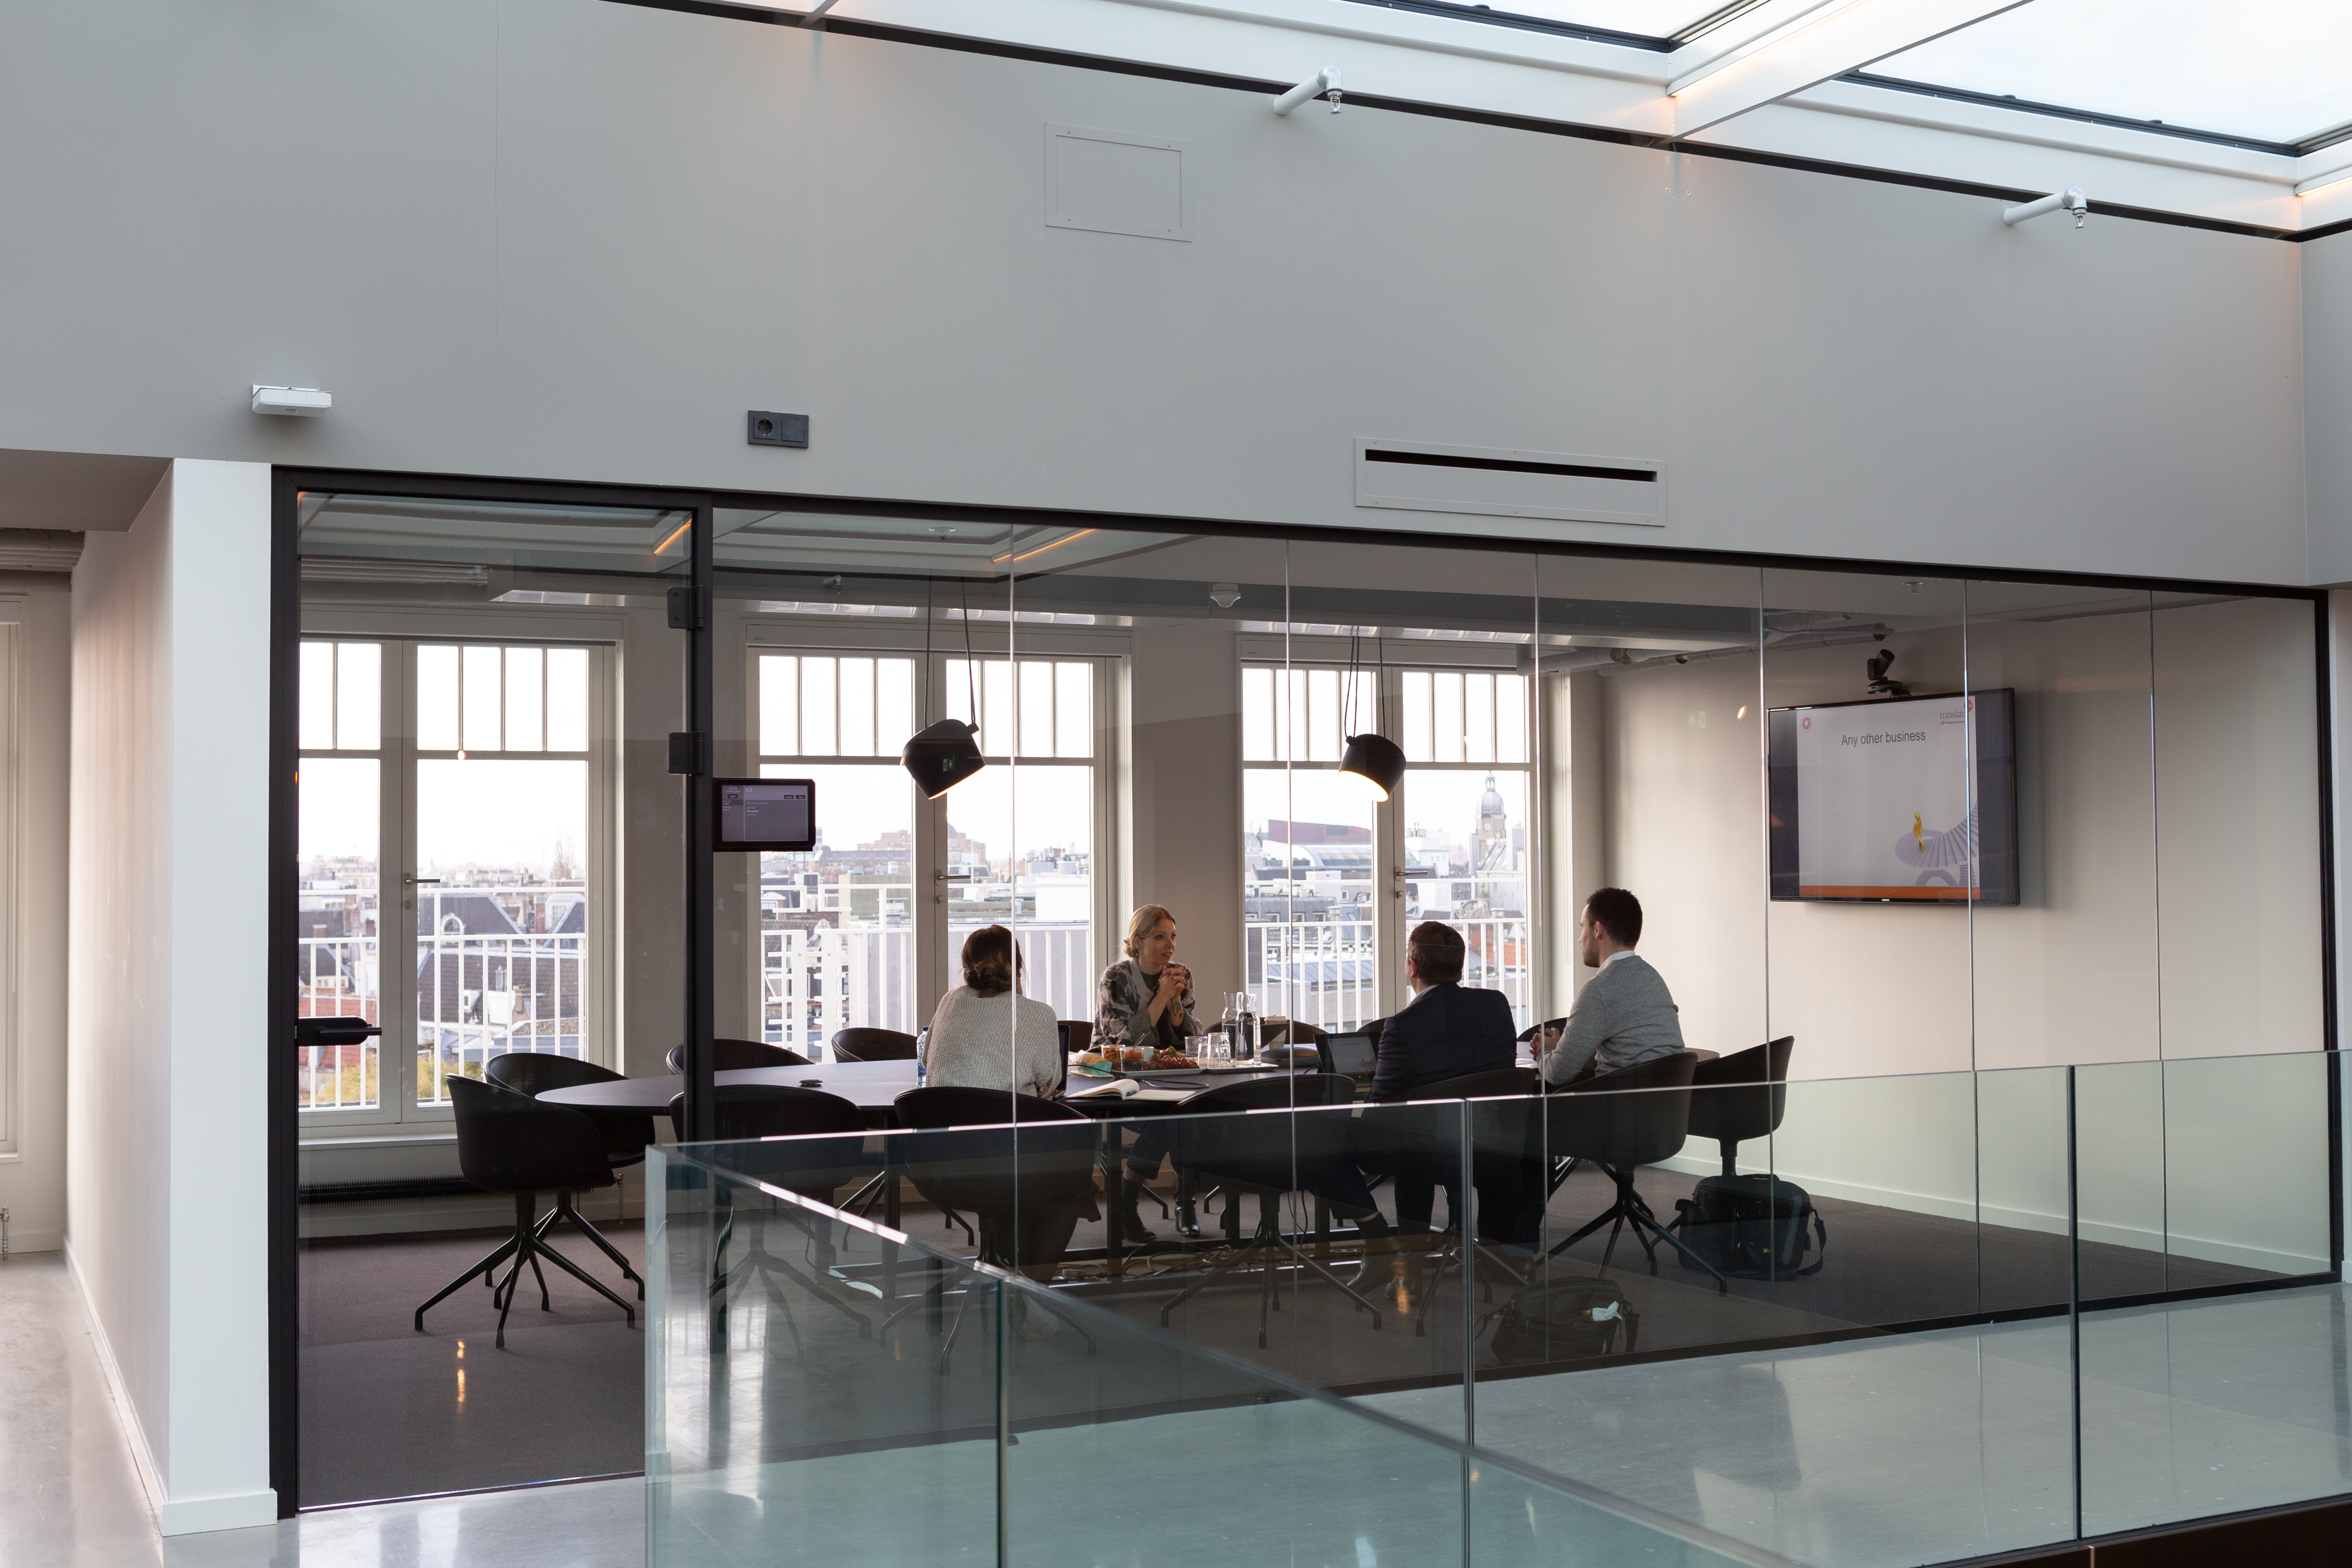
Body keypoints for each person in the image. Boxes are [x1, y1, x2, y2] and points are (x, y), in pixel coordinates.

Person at [918, 926, 1087, 1316]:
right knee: (1070, 1182)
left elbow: (929, 1062)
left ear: (966, 966)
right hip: (1007, 1164)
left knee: (1029, 1171)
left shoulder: (949, 1003)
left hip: (941, 1167)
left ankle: (1011, 1279)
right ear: (1019, 965)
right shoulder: (1037, 1015)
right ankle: (1029, 1293)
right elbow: (1051, 1079)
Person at [1354, 923, 1519, 1268]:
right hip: (1492, 1143)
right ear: (1460, 966)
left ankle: (1400, 1255)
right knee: (1421, 1131)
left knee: (1402, 1138)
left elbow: (1381, 1107)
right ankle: (1485, 1248)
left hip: (1430, 1152)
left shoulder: (1402, 1025)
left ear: (1412, 967)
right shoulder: (1496, 1004)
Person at [1092, 905, 1199, 1244]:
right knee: (1171, 1119)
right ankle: (1129, 1204)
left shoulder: (1181, 974)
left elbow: (1189, 1039)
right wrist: (1161, 997)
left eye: (1173, 936)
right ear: (1137, 942)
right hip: (1118, 1081)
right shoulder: (1116, 978)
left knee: (1191, 1112)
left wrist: (1176, 1003)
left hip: (1166, 1076)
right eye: (1160, 937)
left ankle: (1181, 1204)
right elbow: (1123, 1042)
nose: (1170, 945)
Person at [1537, 887, 1685, 1086]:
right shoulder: (1654, 979)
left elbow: (1557, 1074)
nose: (1580, 939)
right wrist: (1561, 1048)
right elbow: (1628, 1051)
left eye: (1583, 928)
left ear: (1597, 930)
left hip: (1618, 1112)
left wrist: (1543, 1051)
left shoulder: (1598, 991)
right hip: (1666, 1111)